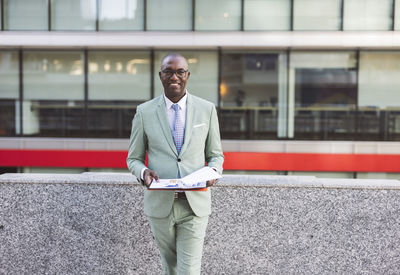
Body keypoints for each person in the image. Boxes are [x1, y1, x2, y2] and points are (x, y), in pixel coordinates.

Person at [127, 53, 224, 274]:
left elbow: (216, 154)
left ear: (187, 75)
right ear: (160, 75)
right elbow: (133, 158)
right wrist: (143, 173)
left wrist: (214, 171)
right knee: (170, 266)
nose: (175, 77)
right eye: (169, 72)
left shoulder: (206, 109)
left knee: (188, 270)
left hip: (194, 204)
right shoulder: (144, 112)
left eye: (180, 72)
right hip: (160, 205)